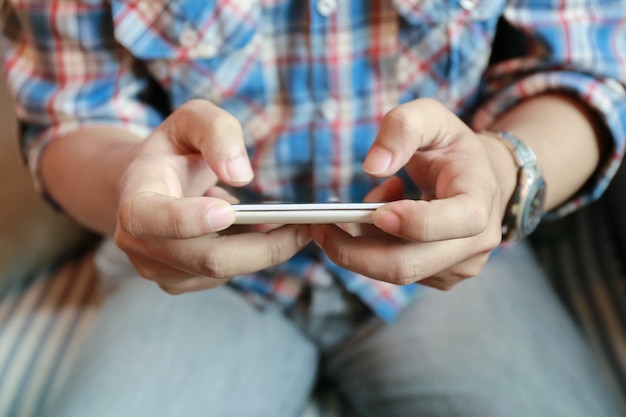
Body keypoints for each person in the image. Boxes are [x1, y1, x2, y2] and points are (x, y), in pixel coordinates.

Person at [1, 1, 624, 416]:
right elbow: (71, 111)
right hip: (193, 283)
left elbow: (584, 71)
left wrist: (501, 173)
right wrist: (128, 185)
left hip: (447, 262)